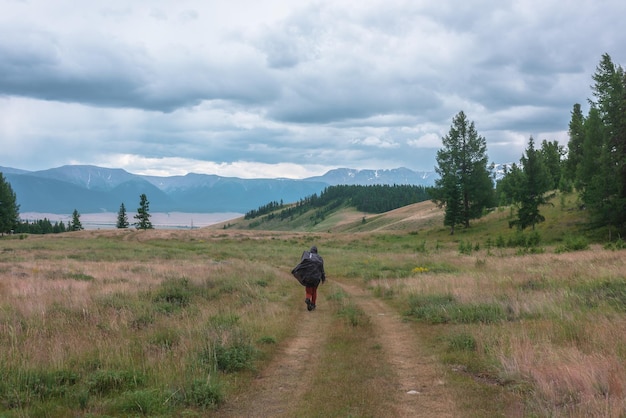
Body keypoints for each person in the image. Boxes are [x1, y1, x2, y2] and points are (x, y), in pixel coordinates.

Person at [291, 245, 326, 311]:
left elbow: (301, 265)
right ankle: (313, 304)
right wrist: (323, 278)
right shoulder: (319, 258)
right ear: (316, 251)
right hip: (316, 278)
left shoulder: (307, 257)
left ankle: (308, 298)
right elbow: (322, 270)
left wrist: (296, 271)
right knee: (314, 291)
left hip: (307, 277)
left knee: (308, 290)